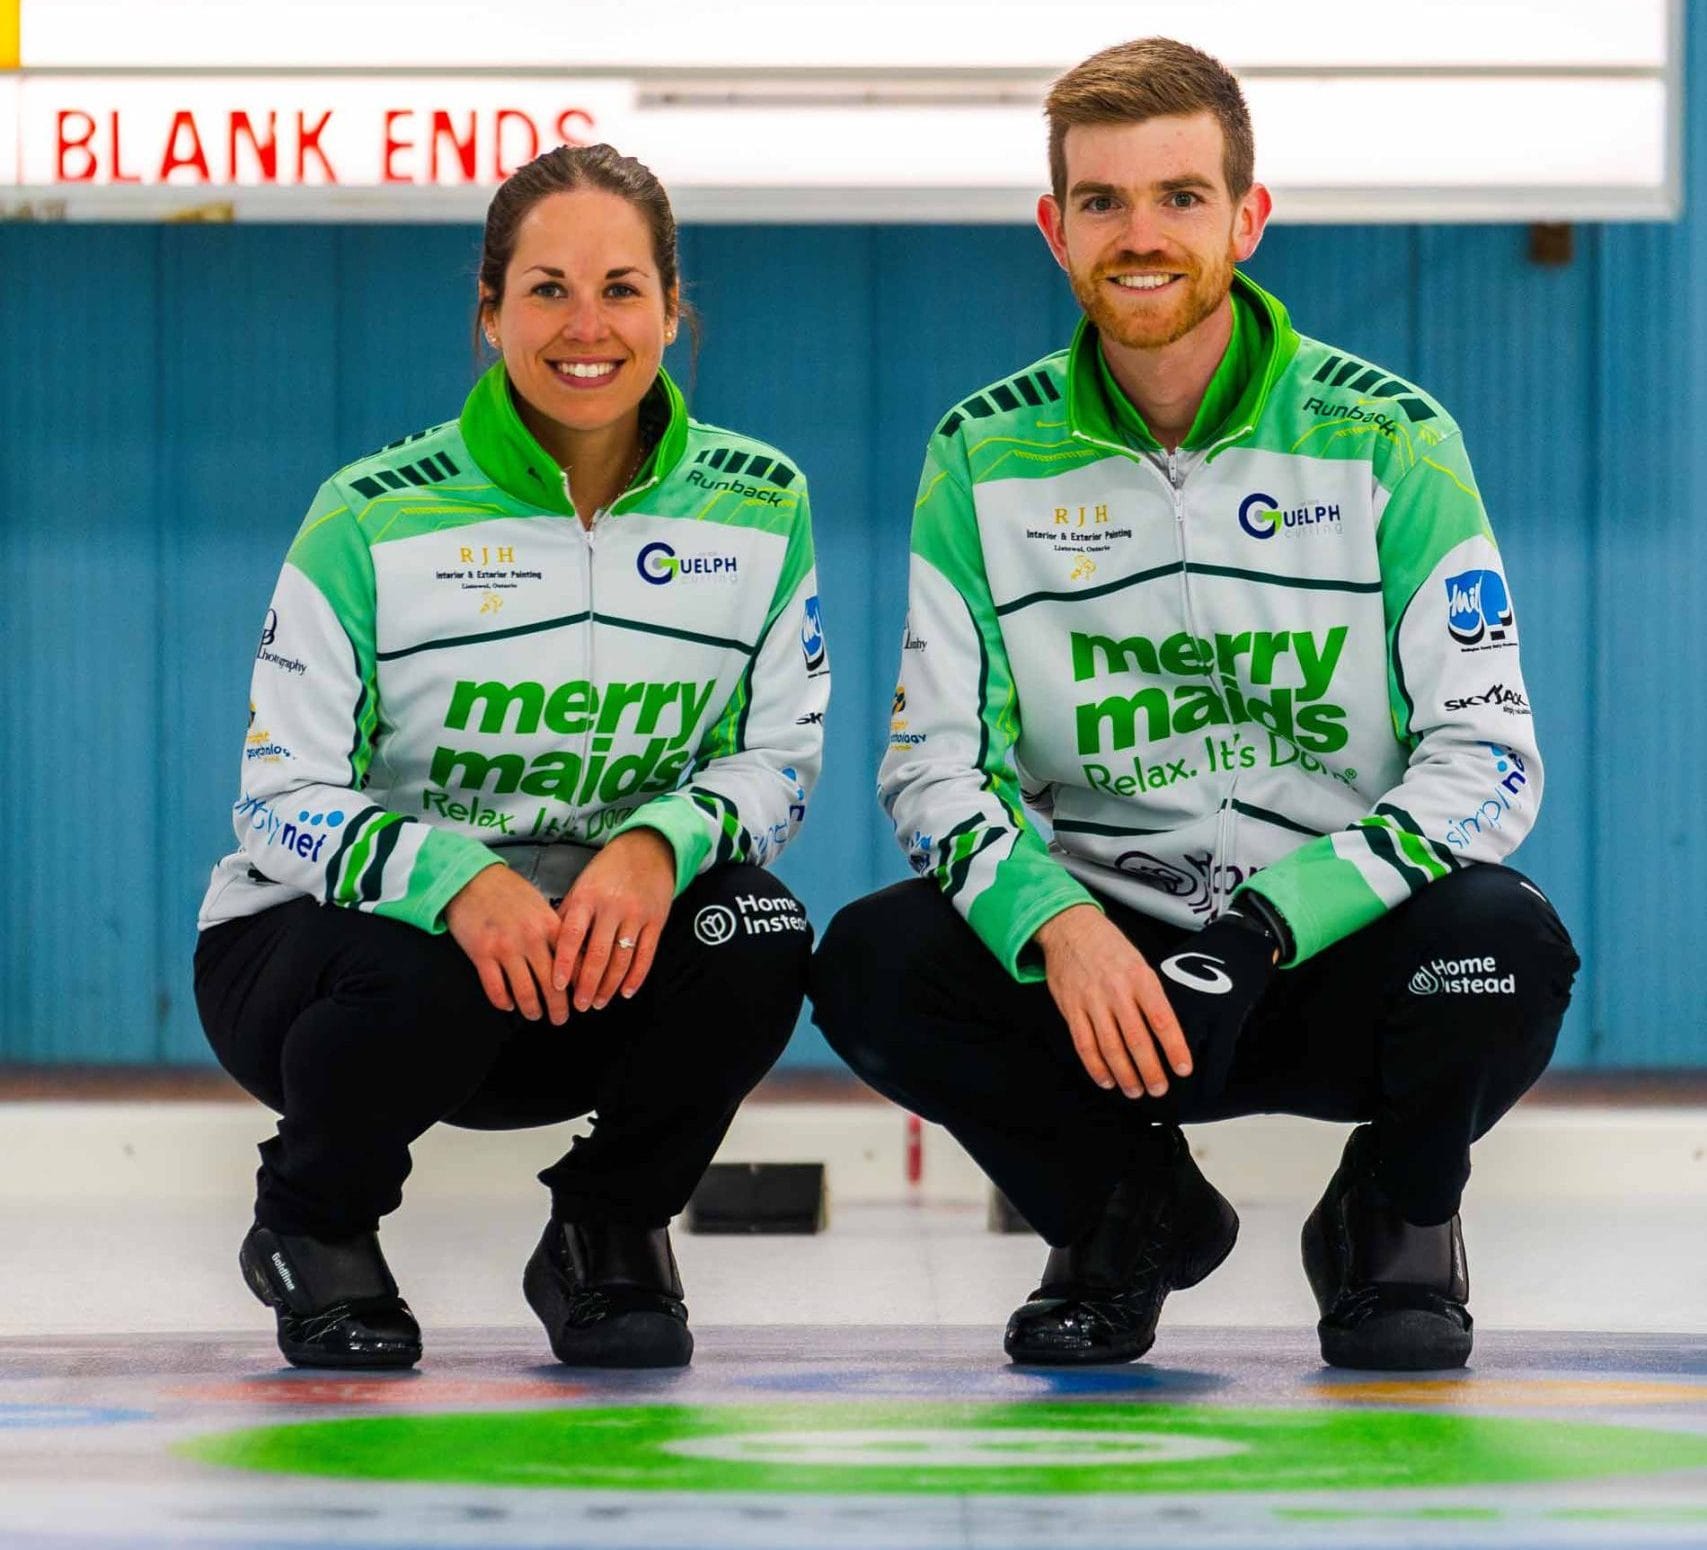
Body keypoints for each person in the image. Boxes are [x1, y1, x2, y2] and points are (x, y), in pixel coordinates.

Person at [812, 38, 1577, 1372]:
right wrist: (1054, 923)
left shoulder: (1390, 438)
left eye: (1179, 195)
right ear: (1055, 229)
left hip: (1322, 945)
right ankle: (1123, 1215)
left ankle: (1391, 1216)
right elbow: (932, 765)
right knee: (872, 964)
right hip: (1108, 972)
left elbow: (1487, 761)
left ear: (1245, 217)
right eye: (1101, 201)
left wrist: (1270, 925)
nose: (1140, 234)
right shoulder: (980, 452)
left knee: (1502, 944)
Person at [194, 144, 826, 1371]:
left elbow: (780, 758)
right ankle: (315, 1223)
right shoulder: (371, 512)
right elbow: (277, 798)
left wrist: (659, 844)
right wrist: (454, 879)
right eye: (547, 289)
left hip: (587, 960)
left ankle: (608, 1229)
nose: (587, 326)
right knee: (422, 965)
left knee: (757, 928)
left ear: (671, 309)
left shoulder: (759, 503)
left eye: (622, 288)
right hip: (340, 968)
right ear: (490, 314)